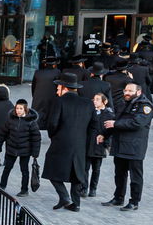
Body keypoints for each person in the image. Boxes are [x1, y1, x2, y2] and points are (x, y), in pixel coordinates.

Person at [43, 73, 96, 212]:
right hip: (80, 144)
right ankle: (76, 203)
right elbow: (93, 126)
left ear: (64, 88)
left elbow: (52, 123)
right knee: (76, 173)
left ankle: (64, 197)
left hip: (61, 142)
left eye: (58, 88)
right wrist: (85, 140)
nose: (57, 91)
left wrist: (54, 136)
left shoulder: (59, 101)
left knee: (51, 169)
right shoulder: (88, 103)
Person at [102, 80, 153, 210]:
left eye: (130, 91)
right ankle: (118, 197)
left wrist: (115, 124)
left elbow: (137, 123)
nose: (127, 93)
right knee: (119, 174)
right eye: (125, 90)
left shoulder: (145, 106)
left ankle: (134, 201)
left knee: (135, 176)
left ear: (139, 92)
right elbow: (115, 120)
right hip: (120, 145)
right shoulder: (123, 103)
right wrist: (105, 135)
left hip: (134, 147)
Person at [87, 92, 113, 198]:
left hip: (99, 145)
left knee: (96, 169)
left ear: (104, 101)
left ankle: (93, 189)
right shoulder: (90, 112)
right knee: (85, 168)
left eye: (97, 99)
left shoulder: (109, 114)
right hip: (88, 143)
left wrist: (106, 143)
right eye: (94, 99)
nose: (95, 101)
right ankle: (83, 188)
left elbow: (110, 131)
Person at [30, 57, 60, 129]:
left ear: (45, 64)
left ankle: (37, 124)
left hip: (38, 95)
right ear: (54, 64)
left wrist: (34, 95)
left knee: (38, 110)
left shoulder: (37, 72)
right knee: (50, 110)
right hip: (51, 95)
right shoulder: (57, 72)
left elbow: (33, 86)